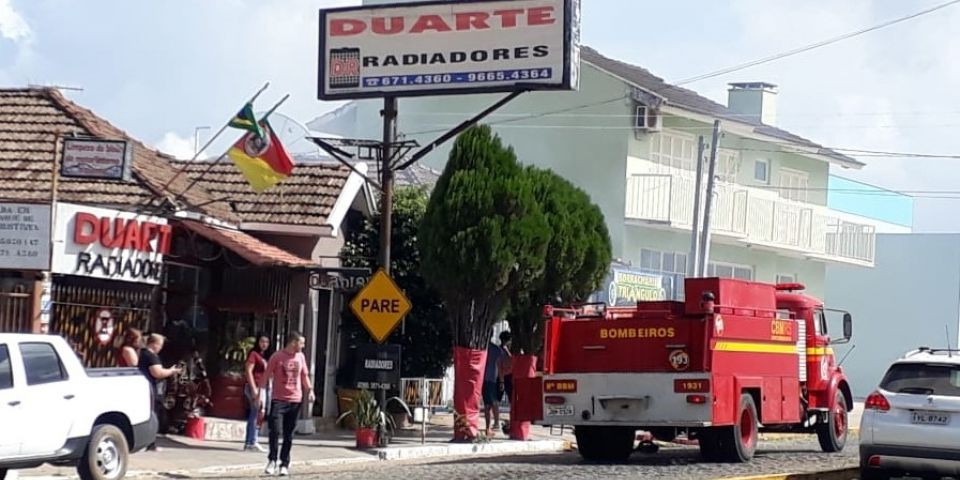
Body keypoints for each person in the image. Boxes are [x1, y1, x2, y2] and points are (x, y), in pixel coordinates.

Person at [256, 332, 314, 477]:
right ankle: (272, 460)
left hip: (295, 400)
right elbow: (266, 375)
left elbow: (304, 376)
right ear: (293, 342)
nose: (303, 346)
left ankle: (284, 463)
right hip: (278, 399)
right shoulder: (277, 356)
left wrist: (310, 391)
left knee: (289, 434)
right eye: (301, 343)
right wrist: (260, 394)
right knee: (275, 430)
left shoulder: (300, 357)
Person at [138, 333, 182, 451]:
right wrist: (172, 371)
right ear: (154, 344)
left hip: (141, 386)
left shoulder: (141, 353)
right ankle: (150, 443)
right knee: (152, 415)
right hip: (149, 389)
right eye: (160, 345)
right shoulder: (152, 356)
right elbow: (158, 373)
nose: (161, 348)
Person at [243, 334, 271, 452]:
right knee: (256, 412)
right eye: (262, 341)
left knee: (259, 413)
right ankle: (252, 441)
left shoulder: (265, 356)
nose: (264, 344)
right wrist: (254, 389)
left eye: (266, 342)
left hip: (264, 387)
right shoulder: (254, 354)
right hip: (255, 386)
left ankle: (251, 440)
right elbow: (248, 371)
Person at [482, 337, 504, 436]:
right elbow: (500, 366)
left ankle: (490, 427)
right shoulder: (496, 350)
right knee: (489, 405)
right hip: (491, 380)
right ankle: (488, 428)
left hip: (481, 379)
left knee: (488, 404)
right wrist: (502, 381)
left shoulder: (481, 346)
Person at [497, 331, 514, 406]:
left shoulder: (505, 350)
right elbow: (500, 366)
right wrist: (501, 381)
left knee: (509, 396)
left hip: (507, 375)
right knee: (499, 397)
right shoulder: (502, 351)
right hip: (504, 376)